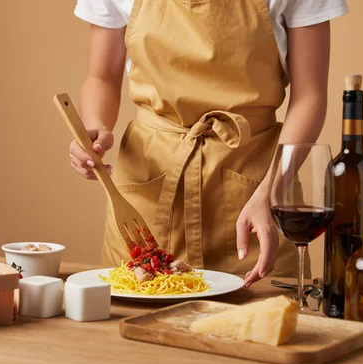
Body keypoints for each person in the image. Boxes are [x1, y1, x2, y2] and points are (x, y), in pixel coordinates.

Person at [68, 0, 348, 287]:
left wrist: (271, 190)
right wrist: (95, 127)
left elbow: (309, 95)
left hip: (257, 189)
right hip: (148, 193)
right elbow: (100, 77)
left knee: (263, 320)